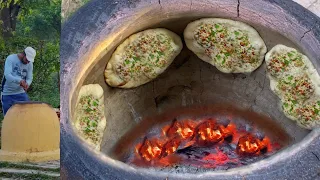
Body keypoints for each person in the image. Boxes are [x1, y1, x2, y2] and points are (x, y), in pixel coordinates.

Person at [1, 47, 36, 116]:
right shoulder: (11, 58)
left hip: (21, 93)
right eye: (27, 59)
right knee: (9, 117)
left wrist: (27, 84)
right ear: (23, 54)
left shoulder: (29, 64)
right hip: (7, 93)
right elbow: (7, 75)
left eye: (29, 61)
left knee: (27, 114)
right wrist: (19, 81)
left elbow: (29, 77)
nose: (28, 62)